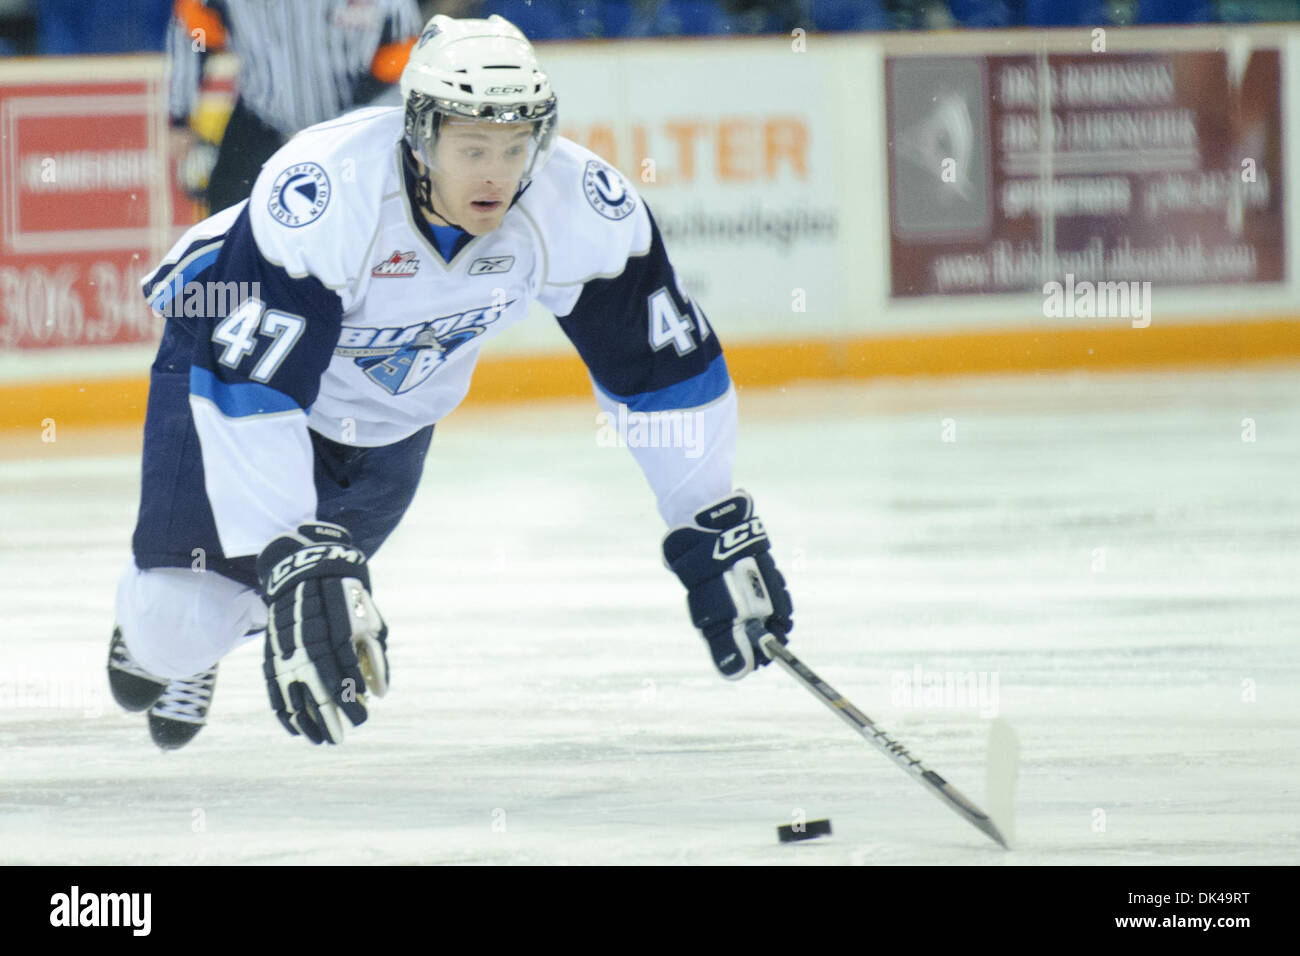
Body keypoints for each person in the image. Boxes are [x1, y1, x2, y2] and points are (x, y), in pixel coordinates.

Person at [108, 13, 794, 750]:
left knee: (261, 603)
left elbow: (662, 373)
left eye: (513, 145)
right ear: (420, 134)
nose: (496, 173)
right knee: (171, 634)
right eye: (471, 147)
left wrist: (706, 515)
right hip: (222, 359)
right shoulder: (325, 192)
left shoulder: (579, 202)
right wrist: (287, 552)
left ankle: (219, 615)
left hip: (387, 423)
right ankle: (179, 618)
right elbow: (253, 390)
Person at [166, 0, 423, 213]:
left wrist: (358, 114)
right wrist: (180, 114)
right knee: (228, 220)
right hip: (263, 120)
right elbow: (195, 34)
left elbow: (401, 49)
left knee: (367, 218)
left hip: (351, 127)